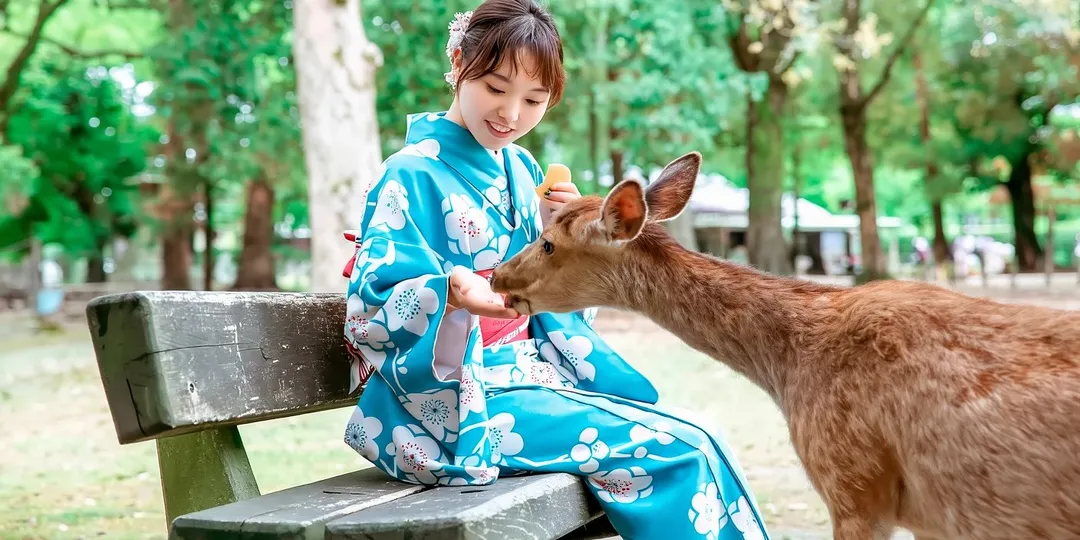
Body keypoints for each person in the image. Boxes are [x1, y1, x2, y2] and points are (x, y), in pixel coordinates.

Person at [340, 1, 769, 538]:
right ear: (458, 61)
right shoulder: (408, 174)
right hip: (456, 404)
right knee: (680, 451)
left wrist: (559, 235)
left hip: (533, 379)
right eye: (496, 88)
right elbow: (373, 304)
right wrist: (446, 291)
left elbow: (556, 291)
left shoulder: (523, 170)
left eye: (534, 99)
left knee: (705, 436)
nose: (510, 114)